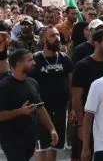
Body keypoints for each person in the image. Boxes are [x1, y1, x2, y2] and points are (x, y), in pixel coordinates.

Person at [0, 48, 59, 161]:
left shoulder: (32, 82)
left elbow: (40, 108)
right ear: (18, 63)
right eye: (30, 60)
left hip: (30, 135)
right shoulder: (4, 87)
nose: (34, 63)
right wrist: (20, 111)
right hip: (11, 138)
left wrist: (51, 129)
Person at [29, 26, 73, 161]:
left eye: (57, 35)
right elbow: (29, 85)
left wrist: (72, 108)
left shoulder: (64, 58)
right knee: (42, 147)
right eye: (52, 36)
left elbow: (72, 85)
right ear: (43, 39)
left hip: (60, 109)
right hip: (41, 110)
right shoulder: (35, 59)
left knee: (54, 146)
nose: (56, 38)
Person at [70, 29, 103, 159]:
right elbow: (77, 97)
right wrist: (81, 124)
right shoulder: (82, 66)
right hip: (88, 120)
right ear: (96, 44)